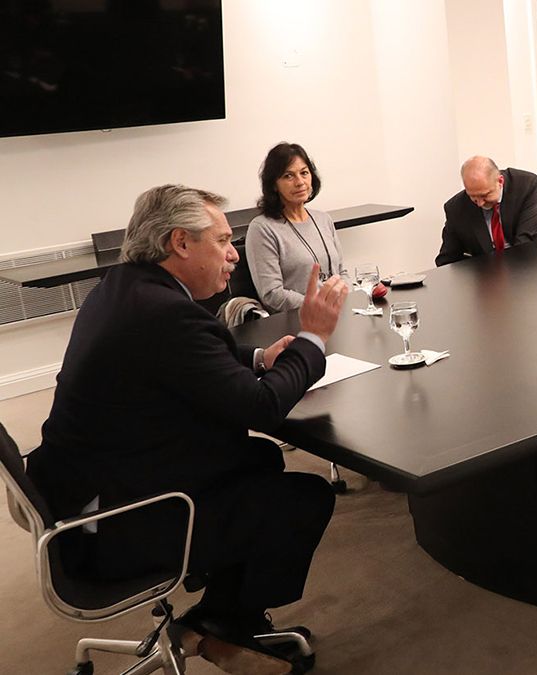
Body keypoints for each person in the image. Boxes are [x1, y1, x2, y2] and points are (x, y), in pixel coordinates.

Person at [25, 185, 349, 674]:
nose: (232, 254)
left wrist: (259, 357)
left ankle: (223, 618)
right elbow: (261, 408)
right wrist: (313, 338)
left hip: (84, 495)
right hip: (117, 521)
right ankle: (220, 624)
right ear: (180, 243)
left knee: (259, 461)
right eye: (221, 241)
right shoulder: (165, 313)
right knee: (303, 497)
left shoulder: (125, 288)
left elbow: (186, 360)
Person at [246, 142, 345, 313]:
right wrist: (318, 304)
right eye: (288, 176)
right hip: (296, 321)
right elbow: (272, 294)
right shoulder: (262, 228)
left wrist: (343, 296)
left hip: (337, 313)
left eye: (304, 173)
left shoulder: (323, 219)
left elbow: (342, 273)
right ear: (274, 185)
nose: (300, 182)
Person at [435, 156, 537, 266]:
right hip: (487, 274)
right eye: (473, 197)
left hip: (529, 260)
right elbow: (446, 260)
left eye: (485, 195)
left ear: (500, 181)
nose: (480, 203)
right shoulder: (456, 208)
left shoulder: (525, 185)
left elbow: (524, 243)